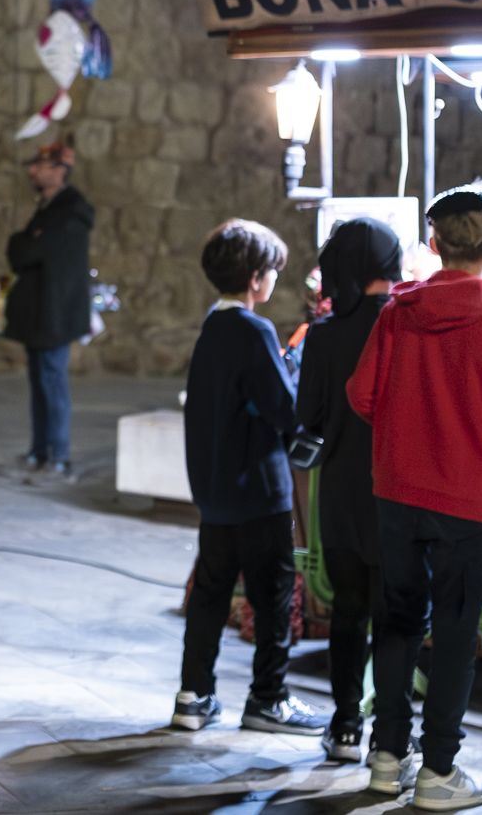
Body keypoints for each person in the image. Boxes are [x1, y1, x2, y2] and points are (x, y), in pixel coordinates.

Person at [349, 182, 482, 811]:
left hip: (397, 495)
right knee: (457, 634)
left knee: (399, 622)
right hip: (466, 502)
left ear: (434, 245)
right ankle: (439, 773)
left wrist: (403, 431)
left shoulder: (396, 316)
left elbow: (362, 396)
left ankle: (387, 759)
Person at [171, 219, 327, 739]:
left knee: (212, 595)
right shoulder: (255, 330)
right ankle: (268, 698)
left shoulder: (212, 327)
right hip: (259, 492)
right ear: (258, 278)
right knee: (274, 595)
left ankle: (194, 696)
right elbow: (284, 411)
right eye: (274, 273)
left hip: (215, 492)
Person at [295, 217, 405, 764]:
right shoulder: (410, 327)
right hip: (399, 493)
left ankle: (343, 728)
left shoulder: (324, 335)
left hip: (340, 492)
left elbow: (307, 417)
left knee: (348, 612)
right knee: (395, 617)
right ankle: (390, 736)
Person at [3, 140, 95, 475]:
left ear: (59, 171)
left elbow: (26, 253)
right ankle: (39, 451)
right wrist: (25, 242)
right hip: (40, 315)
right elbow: (22, 251)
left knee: (52, 384)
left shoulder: (70, 213)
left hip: (55, 316)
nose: (32, 170)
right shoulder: (49, 209)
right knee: (40, 384)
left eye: (40, 165)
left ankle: (58, 457)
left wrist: (24, 243)